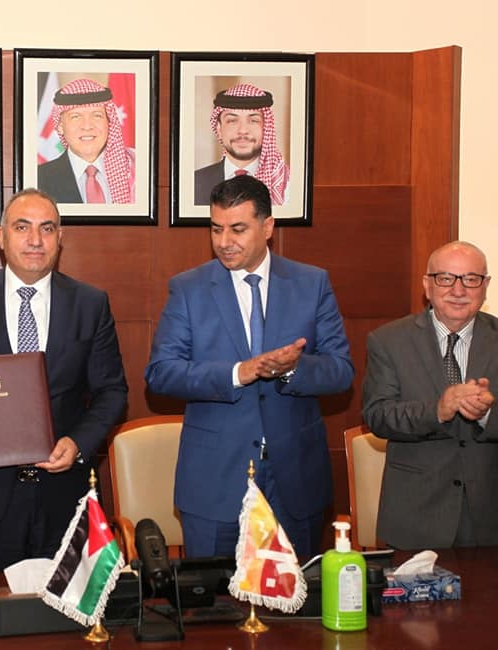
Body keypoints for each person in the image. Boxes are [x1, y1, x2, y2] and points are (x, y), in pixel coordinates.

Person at [0, 188, 128, 572]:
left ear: (60, 238)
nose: (35, 240)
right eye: (22, 227)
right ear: (1, 237)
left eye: (47, 228)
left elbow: (111, 391)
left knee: (64, 608)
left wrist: (78, 443)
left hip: (65, 497)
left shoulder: (90, 303)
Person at [145, 175, 353, 558]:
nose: (224, 241)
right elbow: (161, 373)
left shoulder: (311, 284)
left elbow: (340, 370)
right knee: (213, 595)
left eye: (237, 229)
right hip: (215, 484)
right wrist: (238, 373)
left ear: (267, 226)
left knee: (294, 594)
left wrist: (291, 369)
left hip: (296, 483)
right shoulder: (188, 289)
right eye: (216, 229)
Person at [362, 241, 498, 549]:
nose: (458, 290)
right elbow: (378, 415)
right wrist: (437, 410)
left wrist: (489, 413)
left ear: (485, 286)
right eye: (445, 278)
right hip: (417, 515)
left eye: (471, 279)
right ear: (427, 285)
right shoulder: (388, 341)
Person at [37, 78, 135, 204]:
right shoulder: (39, 179)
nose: (87, 126)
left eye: (97, 115)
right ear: (60, 126)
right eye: (76, 117)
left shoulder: (135, 170)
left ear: (109, 121)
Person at [194, 83, 290, 206]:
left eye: (253, 121)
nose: (243, 130)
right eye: (232, 121)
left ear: (266, 128)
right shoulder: (195, 182)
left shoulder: (287, 184)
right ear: (219, 129)